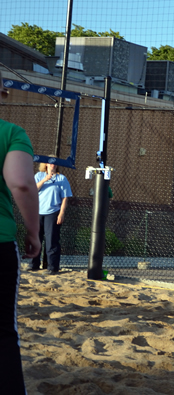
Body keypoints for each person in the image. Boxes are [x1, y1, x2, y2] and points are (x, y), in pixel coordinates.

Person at [0, 71, 41, 394]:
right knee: (3, 332)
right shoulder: (11, 132)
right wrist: (33, 232)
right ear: (3, 93)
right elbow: (22, 183)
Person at [31, 156, 73, 274]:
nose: (52, 165)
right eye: (50, 163)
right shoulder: (39, 176)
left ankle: (52, 267)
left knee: (51, 241)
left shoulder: (61, 178)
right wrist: (45, 179)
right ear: (46, 165)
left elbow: (65, 197)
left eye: (54, 163)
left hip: (53, 212)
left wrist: (62, 213)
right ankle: (34, 264)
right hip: (38, 211)